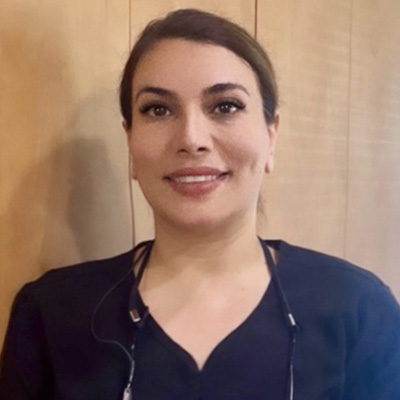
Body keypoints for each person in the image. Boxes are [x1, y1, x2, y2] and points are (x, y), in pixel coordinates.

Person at [1, 8, 400, 400]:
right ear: (130, 140)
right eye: (158, 109)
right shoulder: (51, 314)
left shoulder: (357, 309)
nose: (191, 138)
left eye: (225, 105)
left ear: (271, 134)